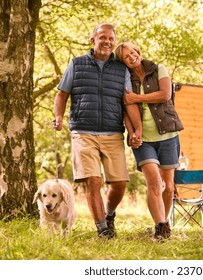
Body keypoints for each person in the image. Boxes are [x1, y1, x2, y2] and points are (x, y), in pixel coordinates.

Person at [53, 24, 142, 239]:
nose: (107, 42)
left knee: (119, 182)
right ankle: (103, 229)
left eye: (111, 39)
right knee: (93, 181)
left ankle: (109, 214)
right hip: (83, 131)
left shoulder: (122, 70)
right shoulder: (77, 64)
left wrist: (136, 129)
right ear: (93, 40)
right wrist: (58, 116)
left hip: (112, 132)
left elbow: (128, 101)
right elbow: (62, 95)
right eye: (102, 37)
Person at [115, 41, 184, 240]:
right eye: (126, 57)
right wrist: (132, 132)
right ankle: (160, 227)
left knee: (168, 186)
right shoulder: (125, 80)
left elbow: (165, 94)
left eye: (133, 52)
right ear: (123, 62)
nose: (132, 57)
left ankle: (165, 221)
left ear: (139, 51)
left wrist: (137, 98)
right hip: (144, 140)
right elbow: (125, 111)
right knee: (154, 181)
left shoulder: (158, 69)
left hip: (168, 135)